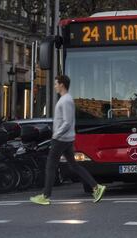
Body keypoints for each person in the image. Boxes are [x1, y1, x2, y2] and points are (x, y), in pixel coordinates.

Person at [30, 75, 106, 205]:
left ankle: (45, 196)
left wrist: (56, 134)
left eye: (56, 84)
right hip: (66, 139)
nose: (54, 86)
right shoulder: (66, 99)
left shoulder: (65, 100)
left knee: (50, 166)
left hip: (61, 139)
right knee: (74, 165)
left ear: (62, 85)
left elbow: (67, 122)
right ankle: (96, 187)